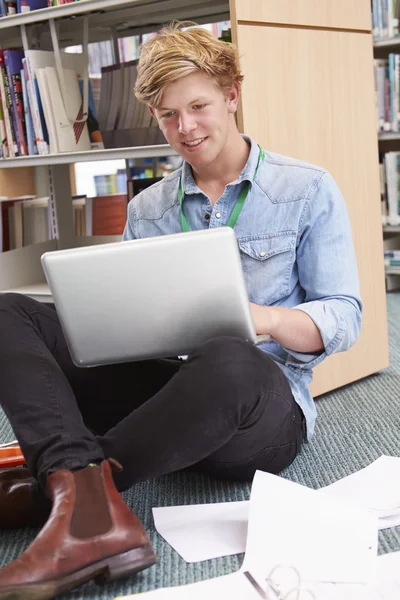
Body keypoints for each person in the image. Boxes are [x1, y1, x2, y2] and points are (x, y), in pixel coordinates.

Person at [0, 21, 362, 599]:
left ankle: (63, 494)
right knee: (9, 312)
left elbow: (346, 316)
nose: (185, 128)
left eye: (198, 106)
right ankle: (85, 499)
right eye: (169, 115)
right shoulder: (147, 210)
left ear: (232, 96)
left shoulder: (307, 189)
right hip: (167, 396)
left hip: (260, 411)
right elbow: (124, 325)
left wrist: (262, 318)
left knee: (231, 358)